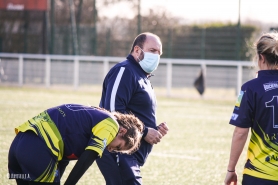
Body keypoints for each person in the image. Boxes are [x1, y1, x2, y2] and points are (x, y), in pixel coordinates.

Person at [97, 32, 169, 185]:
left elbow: (134, 114)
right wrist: (144, 131)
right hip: (117, 150)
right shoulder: (125, 71)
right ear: (137, 50)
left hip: (130, 154)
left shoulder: (143, 77)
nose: (156, 56)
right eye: (152, 50)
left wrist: (153, 130)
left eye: (159, 53)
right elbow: (112, 112)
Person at [8, 104, 143, 185]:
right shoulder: (111, 124)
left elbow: (63, 158)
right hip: (39, 150)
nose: (111, 149)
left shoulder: (95, 115)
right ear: (122, 131)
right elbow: (87, 158)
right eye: (118, 146)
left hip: (18, 146)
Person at [224, 32, 278, 185]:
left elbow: (241, 133)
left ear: (260, 57)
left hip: (260, 174)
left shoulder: (250, 88)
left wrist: (231, 169)